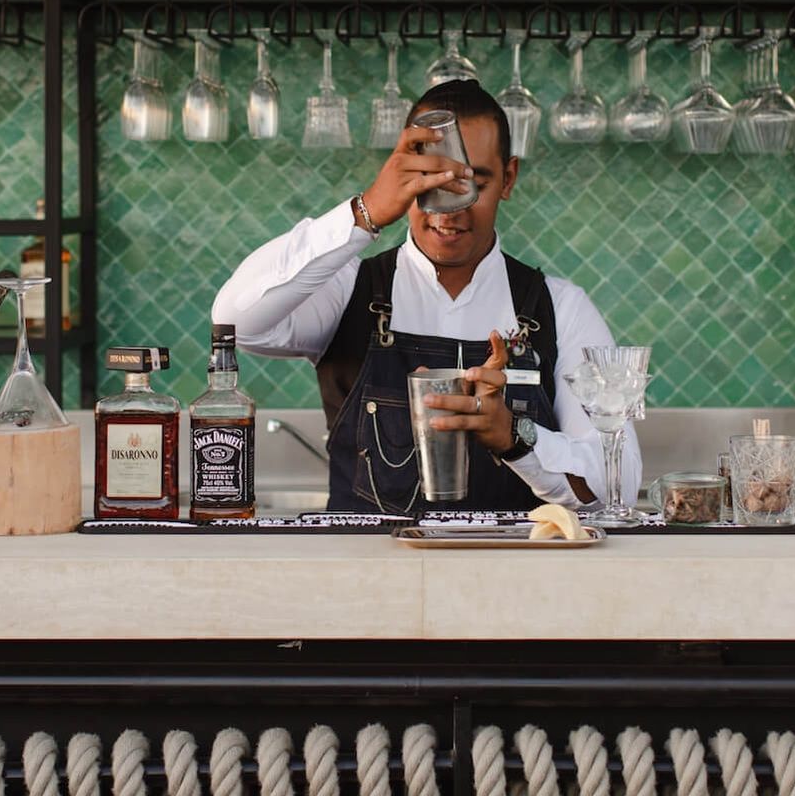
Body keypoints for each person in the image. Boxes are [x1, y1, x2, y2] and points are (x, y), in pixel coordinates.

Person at [212, 78, 642, 514]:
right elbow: (235, 322)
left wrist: (518, 439)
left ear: (508, 179)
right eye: (429, 181)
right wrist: (365, 212)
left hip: (514, 576)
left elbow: (617, 483)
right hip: (365, 575)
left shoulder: (560, 308)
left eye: (471, 182)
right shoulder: (346, 291)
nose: (448, 207)